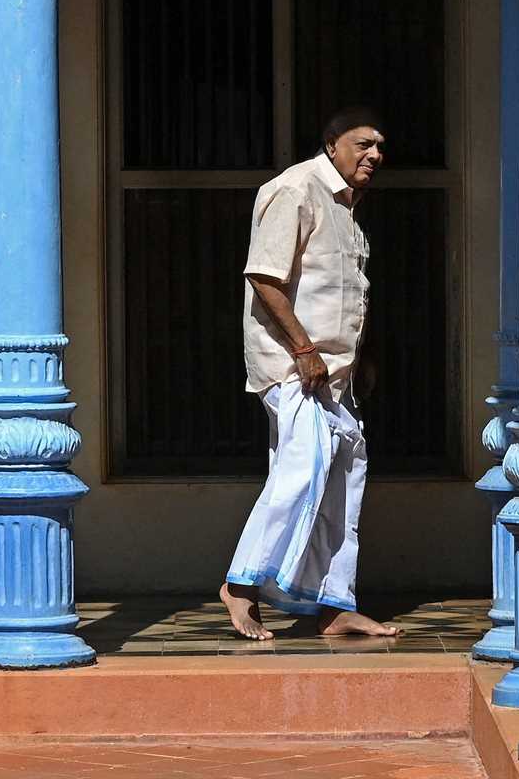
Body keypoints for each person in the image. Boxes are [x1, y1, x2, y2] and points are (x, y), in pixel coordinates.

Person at [219, 106, 402, 641]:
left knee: (344, 475)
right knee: (305, 465)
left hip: (333, 372)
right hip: (294, 366)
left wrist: (358, 358)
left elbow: (345, 293)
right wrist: (303, 350)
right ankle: (241, 585)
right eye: (363, 144)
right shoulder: (295, 189)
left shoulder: (347, 206)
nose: (374, 155)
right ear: (331, 145)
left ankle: (332, 604)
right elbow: (265, 276)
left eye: (380, 147)